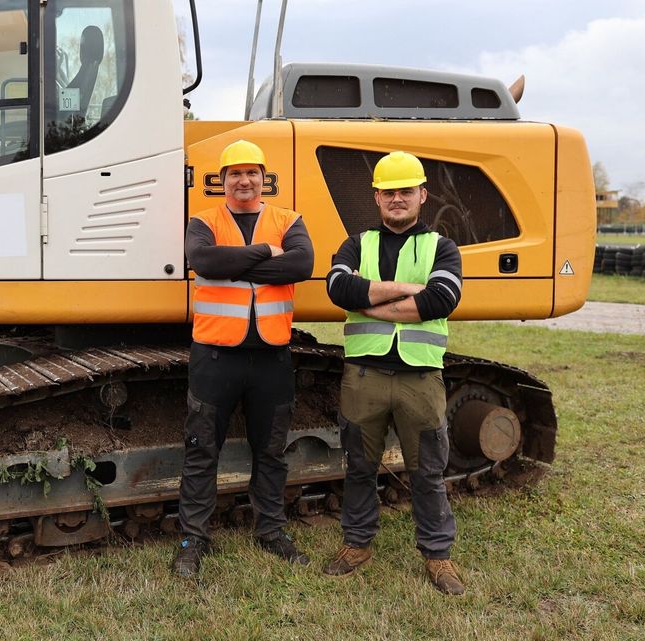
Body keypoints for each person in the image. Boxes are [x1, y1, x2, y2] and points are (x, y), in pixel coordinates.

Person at [323, 150, 465, 594]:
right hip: (364, 376)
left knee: (427, 470)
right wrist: (407, 291)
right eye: (389, 192)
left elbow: (442, 299)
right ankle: (358, 544)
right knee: (360, 466)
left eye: (406, 190)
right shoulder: (356, 242)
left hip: (419, 378)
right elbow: (337, 288)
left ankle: (437, 556)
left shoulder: (442, 247)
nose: (397, 199)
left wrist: (370, 300)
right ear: (377, 197)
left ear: (422, 195)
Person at [173, 139, 315, 577]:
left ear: (263, 178)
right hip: (215, 357)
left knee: (271, 452)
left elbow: (301, 266)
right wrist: (264, 255)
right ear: (221, 180)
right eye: (234, 173)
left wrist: (233, 263)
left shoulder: (289, 220)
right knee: (201, 451)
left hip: (271, 356)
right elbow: (202, 260)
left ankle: (270, 530)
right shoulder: (204, 220)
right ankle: (192, 539)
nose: (243, 180)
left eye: (251, 172)